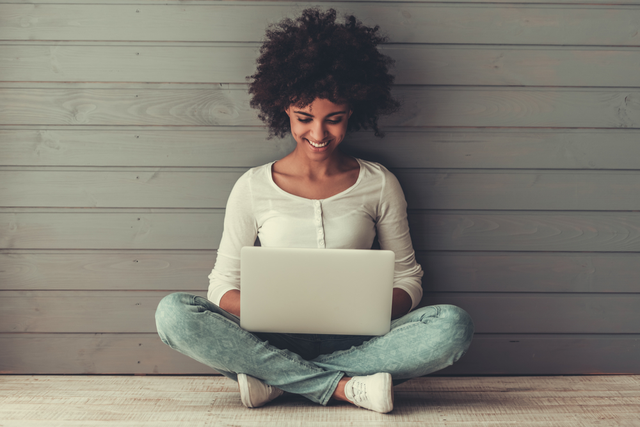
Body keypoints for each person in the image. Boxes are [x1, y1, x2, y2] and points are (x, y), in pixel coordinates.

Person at [155, 8, 474, 414]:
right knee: (174, 314)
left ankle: (280, 382)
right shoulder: (252, 186)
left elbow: (408, 278)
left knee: (452, 325)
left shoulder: (379, 183)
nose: (318, 134)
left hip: (362, 340)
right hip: (271, 338)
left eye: (334, 120)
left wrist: (370, 309)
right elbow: (221, 285)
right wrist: (269, 306)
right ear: (284, 110)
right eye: (304, 118)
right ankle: (345, 387)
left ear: (352, 113)